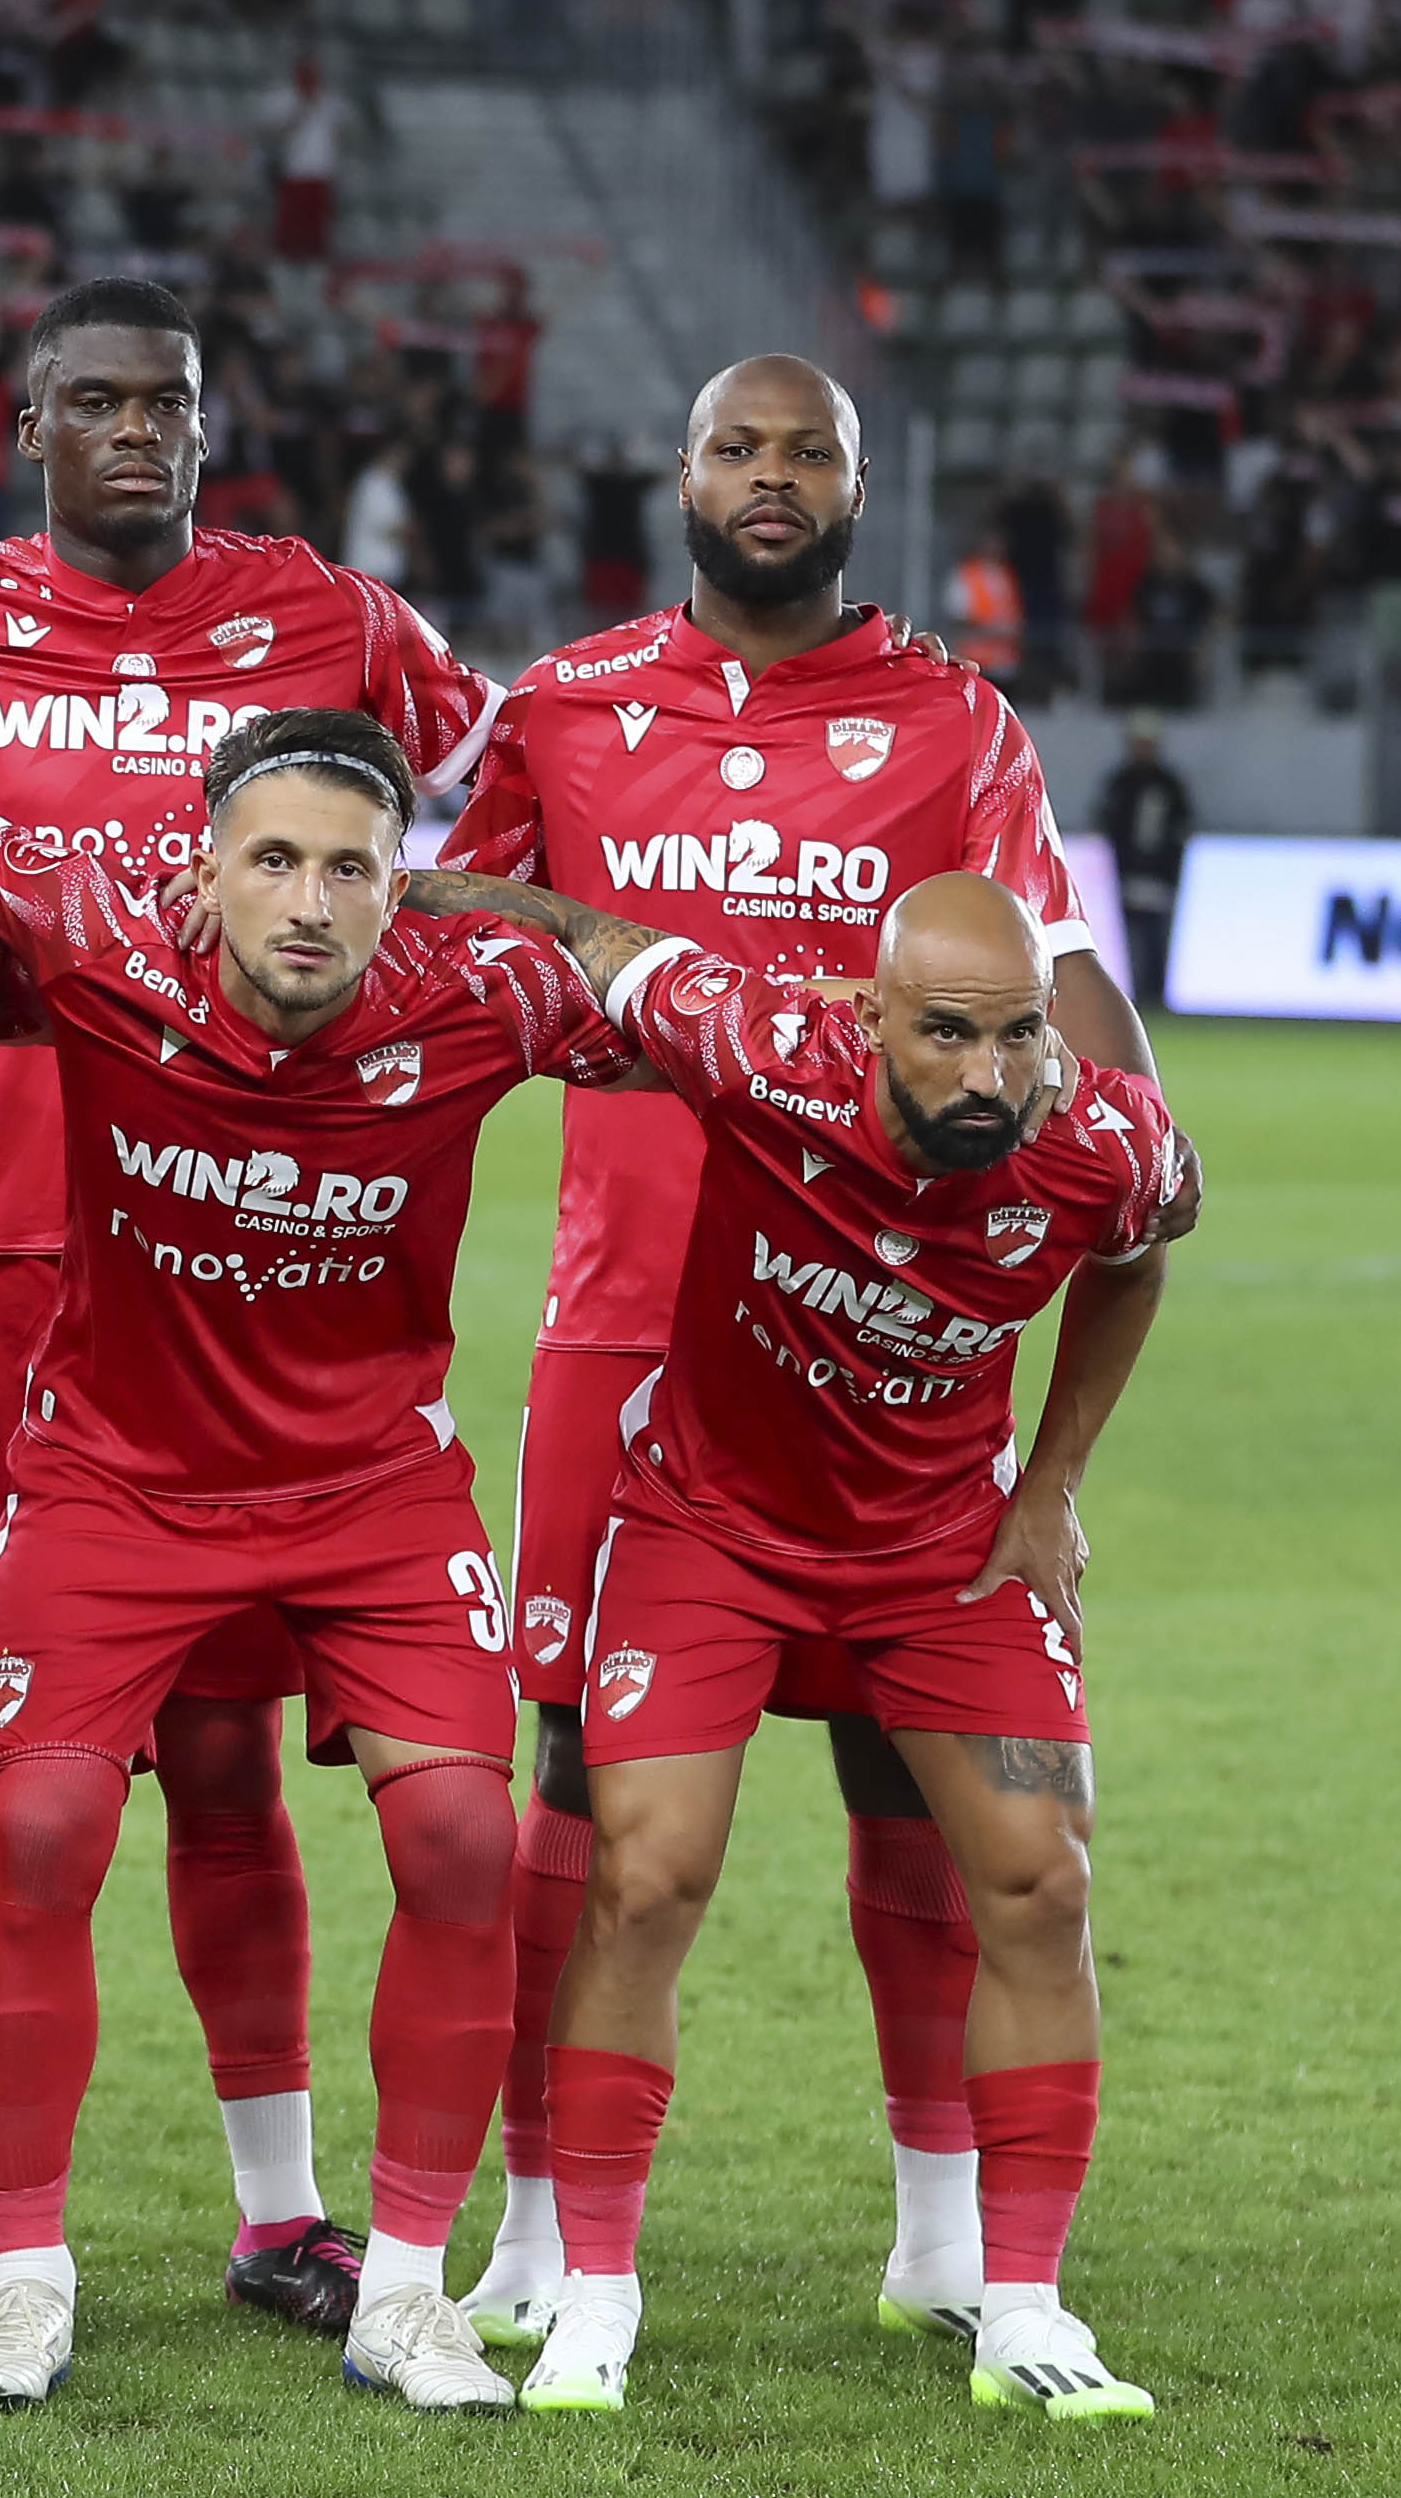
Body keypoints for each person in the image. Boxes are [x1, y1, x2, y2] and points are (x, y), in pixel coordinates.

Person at [0, 708, 640, 2410]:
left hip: (368, 1486)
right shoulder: (87, 932)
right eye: (270, 859)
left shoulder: (481, 1000)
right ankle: (24, 2278)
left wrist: (494, 904)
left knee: (463, 1831)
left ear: (403, 890)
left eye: (348, 869)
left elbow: (658, 981)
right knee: (37, 1819)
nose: (305, 902)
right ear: (197, 870)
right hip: (116, 1480)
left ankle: (401, 2288)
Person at [438, 351, 1177, 2357]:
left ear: (862, 485)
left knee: (910, 1779)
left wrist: (1131, 1131)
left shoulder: (955, 719)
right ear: (678, 476)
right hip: (624, 1320)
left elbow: (1054, 963)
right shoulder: (572, 705)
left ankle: (946, 2228)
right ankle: (536, 2218)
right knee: (580, 1791)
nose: (773, 480)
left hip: (891, 1337)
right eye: (739, 449)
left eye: (810, 453)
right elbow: (475, 912)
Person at [0, 276, 498, 2334]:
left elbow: (531, 780)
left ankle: (280, 2208)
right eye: (95, 401)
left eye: (169, 404)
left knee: (223, 1754)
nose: (136, 432)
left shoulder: (332, 620)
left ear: (208, 422)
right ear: (27, 420)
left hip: (249, 1264)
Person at [387, 862, 1189, 2424]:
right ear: (870, 1017)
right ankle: (596, 2294)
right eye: (949, 1036)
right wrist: (398, 885)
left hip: (947, 1553)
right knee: (646, 1872)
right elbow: (585, 938)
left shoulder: (1106, 1145)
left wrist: (1055, 1482)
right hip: (710, 1535)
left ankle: (1020, 2304)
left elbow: (1142, 1257)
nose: (991, 1076)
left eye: (1020, 1036)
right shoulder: (755, 1043)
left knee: (1041, 1875)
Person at [1090, 718, 1194, 1012]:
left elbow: (1180, 828)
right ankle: (1133, 997)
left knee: (1155, 938)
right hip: (1128, 873)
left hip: (1158, 875)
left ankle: (1156, 995)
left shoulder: (1165, 785)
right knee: (1130, 939)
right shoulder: (1123, 782)